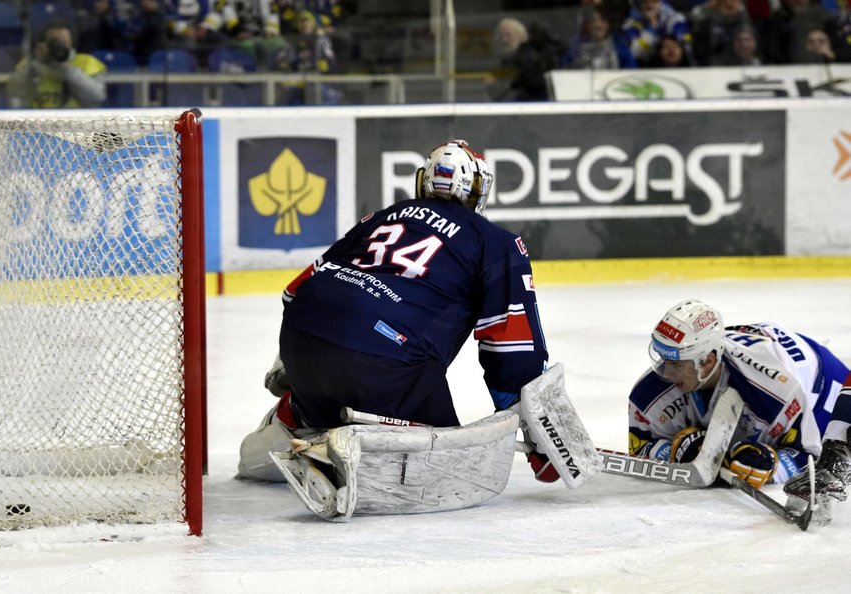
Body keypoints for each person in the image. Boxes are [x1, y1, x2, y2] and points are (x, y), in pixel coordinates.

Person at [237, 139, 552, 483]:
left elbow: (293, 293)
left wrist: (290, 366)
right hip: (385, 368)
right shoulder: (496, 242)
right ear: (480, 190)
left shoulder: (381, 217)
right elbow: (511, 348)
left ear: (423, 180)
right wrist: (540, 435)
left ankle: (293, 420)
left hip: (302, 344)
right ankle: (351, 451)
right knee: (455, 468)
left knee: (323, 396)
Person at [628, 299, 851, 511]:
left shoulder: (773, 391)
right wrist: (672, 452)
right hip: (763, 350)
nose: (666, 373)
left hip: (822, 386)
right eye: (663, 359)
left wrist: (771, 464)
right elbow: (640, 447)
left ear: (707, 361)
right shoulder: (648, 393)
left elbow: (809, 455)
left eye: (675, 363)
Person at [7, 20, 107, 108]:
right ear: (44, 44)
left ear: (72, 43)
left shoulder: (87, 63)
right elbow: (14, 95)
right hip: (39, 123)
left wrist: (69, 70)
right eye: (55, 43)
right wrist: (34, 64)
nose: (59, 48)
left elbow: (97, 97)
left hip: (75, 122)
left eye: (64, 43)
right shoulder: (29, 64)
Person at [562, 6, 638, 69]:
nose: (598, 25)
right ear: (587, 26)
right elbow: (562, 72)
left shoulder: (619, 47)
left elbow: (632, 72)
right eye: (593, 21)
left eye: (602, 20)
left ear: (608, 24)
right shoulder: (575, 48)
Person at [621, 0, 692, 67]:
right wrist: (649, 26)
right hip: (646, 64)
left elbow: (685, 41)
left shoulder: (675, 18)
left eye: (653, 1)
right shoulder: (630, 23)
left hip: (678, 65)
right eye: (645, 1)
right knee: (642, 40)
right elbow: (632, 49)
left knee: (677, 43)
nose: (649, 5)